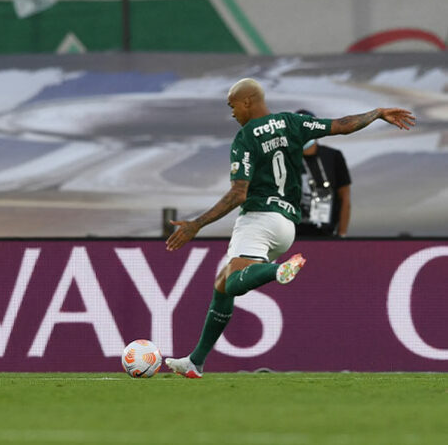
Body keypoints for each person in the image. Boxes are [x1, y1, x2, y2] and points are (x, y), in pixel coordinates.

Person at [163, 78, 414, 378]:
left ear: (247, 102)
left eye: (232, 106)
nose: (232, 114)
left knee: (231, 282)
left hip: (258, 218)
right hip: (287, 225)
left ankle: (276, 271)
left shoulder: (246, 138)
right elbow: (343, 125)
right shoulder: (292, 122)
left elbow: (238, 194)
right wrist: (376, 113)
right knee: (221, 285)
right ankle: (196, 362)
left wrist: (196, 224)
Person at [295, 109, 351, 238]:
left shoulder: (333, 156)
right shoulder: (284, 158)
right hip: (291, 235)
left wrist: (342, 234)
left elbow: (345, 197)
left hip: (326, 234)